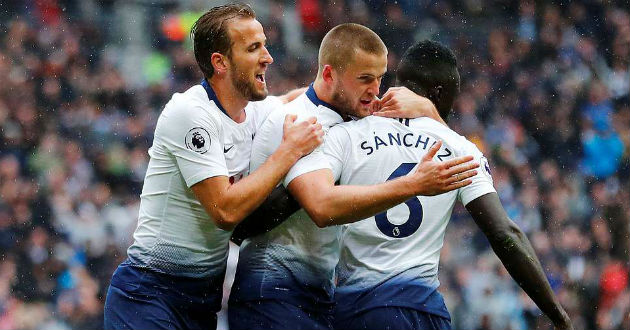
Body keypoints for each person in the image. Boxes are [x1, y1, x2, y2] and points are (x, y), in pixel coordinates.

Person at [304, 40, 573, 330]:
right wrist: (558, 316)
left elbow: (309, 199)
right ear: (439, 93)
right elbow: (504, 233)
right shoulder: (459, 148)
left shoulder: (346, 135)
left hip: (356, 312)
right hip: (420, 310)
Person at [228, 24, 479, 330]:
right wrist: (413, 184)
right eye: (364, 79)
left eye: (380, 78)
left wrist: (428, 110)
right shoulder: (302, 123)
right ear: (330, 75)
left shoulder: (343, 118)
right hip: (274, 293)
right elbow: (321, 207)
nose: (376, 90)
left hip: (317, 296)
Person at [103, 4, 324, 330]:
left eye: (264, 44)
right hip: (150, 294)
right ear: (220, 62)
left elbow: (308, 96)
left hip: (201, 300)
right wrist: (288, 151)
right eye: (253, 48)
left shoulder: (256, 112)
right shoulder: (191, 113)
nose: (268, 57)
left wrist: (402, 101)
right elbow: (224, 210)